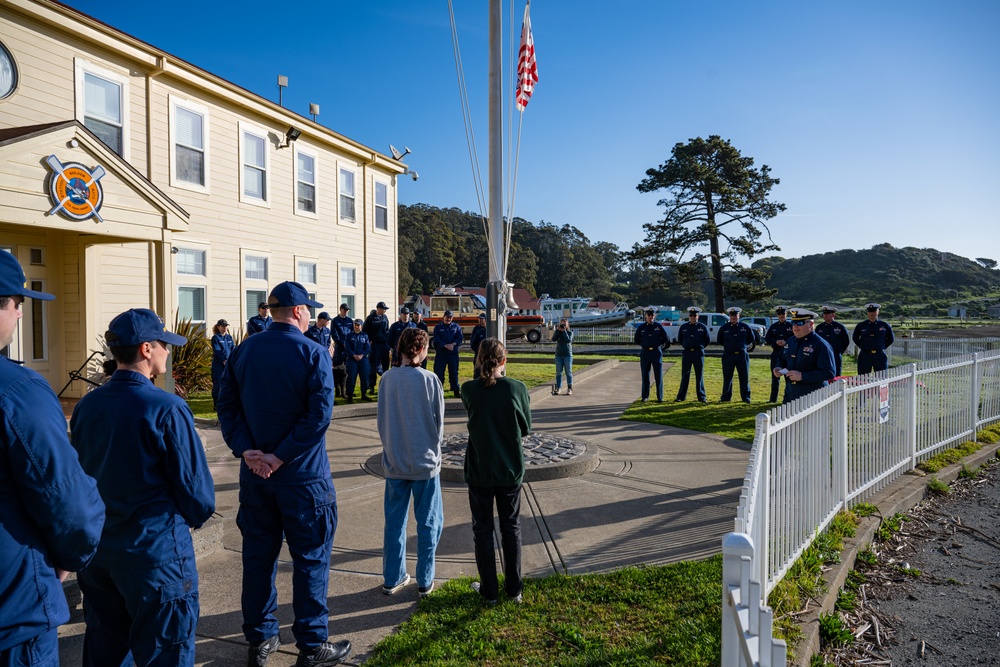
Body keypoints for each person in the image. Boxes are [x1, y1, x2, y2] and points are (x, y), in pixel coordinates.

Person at [216, 281, 351, 667]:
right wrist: (279, 457)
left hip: (257, 477)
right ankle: (311, 645)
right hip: (303, 478)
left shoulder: (244, 350)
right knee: (310, 558)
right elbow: (319, 417)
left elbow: (227, 408)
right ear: (297, 312)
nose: (310, 314)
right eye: (308, 309)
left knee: (259, 558)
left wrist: (249, 451)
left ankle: (260, 639)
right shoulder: (312, 352)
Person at [71, 308, 215, 667]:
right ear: (147, 349)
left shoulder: (87, 405)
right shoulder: (166, 407)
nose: (169, 351)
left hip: (101, 552)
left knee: (105, 648)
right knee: (165, 652)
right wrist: (196, 516)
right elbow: (196, 492)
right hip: (155, 554)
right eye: (165, 344)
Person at [0, 252, 105, 667]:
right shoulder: (19, 391)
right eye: (16, 303)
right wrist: (66, 559)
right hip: (13, 612)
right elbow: (71, 505)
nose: (21, 315)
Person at [460, 338, 531, 605]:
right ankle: (514, 590)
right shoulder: (517, 388)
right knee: (511, 528)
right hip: (509, 468)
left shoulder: (469, 390)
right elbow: (525, 427)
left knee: (483, 530)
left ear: (479, 360)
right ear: (504, 360)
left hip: (479, 469)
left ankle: (489, 590)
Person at [376, 328, 444, 599]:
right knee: (428, 523)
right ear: (423, 350)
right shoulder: (430, 380)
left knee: (394, 522)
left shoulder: (387, 380)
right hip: (424, 463)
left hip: (395, 461)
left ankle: (392, 577)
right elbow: (438, 423)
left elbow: (382, 419)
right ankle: (424, 580)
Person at [772, 309, 836, 403]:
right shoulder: (791, 341)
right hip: (791, 393)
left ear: (811, 324)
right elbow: (782, 359)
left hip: (813, 396)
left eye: (800, 323)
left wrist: (803, 376)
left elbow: (829, 373)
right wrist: (778, 367)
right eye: (793, 323)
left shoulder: (821, 345)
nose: (795, 327)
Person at [717, 307, 755, 403]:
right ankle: (725, 397)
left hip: (742, 355)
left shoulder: (745, 327)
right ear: (729, 316)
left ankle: (746, 398)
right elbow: (720, 340)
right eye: (732, 315)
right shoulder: (724, 328)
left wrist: (743, 346)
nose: (733, 317)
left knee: (744, 377)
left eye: (735, 315)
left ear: (739, 316)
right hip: (728, 355)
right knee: (727, 377)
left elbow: (751, 338)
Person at [674, 306, 710, 403]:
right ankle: (681, 396)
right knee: (685, 375)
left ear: (698, 316)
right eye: (691, 315)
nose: (693, 317)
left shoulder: (702, 327)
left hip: (698, 353)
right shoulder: (684, 327)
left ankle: (702, 397)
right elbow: (680, 339)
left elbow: (707, 340)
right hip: (687, 353)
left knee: (699, 375)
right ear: (689, 316)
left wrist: (699, 346)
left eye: (695, 315)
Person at [633, 307, 669, 402]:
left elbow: (665, 338)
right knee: (645, 375)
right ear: (646, 316)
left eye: (652, 315)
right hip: (645, 353)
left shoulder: (658, 326)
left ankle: (659, 397)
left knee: (658, 375)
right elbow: (636, 340)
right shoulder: (641, 327)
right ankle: (645, 396)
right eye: (648, 315)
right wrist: (644, 344)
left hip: (656, 352)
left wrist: (659, 345)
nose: (650, 317)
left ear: (654, 316)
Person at [853, 303, 895, 374]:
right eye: (870, 312)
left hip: (879, 355)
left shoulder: (884, 325)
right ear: (867, 313)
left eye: (874, 311)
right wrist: (863, 346)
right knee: (863, 378)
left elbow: (891, 339)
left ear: (878, 312)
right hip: (865, 355)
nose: (872, 314)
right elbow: (855, 338)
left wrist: (882, 346)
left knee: (881, 378)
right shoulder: (861, 325)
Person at [765, 306, 794, 403]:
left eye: (783, 314)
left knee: (788, 377)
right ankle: (773, 399)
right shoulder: (774, 327)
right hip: (776, 353)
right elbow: (767, 339)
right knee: (775, 376)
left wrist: (786, 342)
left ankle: (789, 398)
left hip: (787, 354)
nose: (781, 316)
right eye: (779, 314)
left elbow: (795, 339)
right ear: (777, 315)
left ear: (786, 314)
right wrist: (776, 342)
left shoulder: (791, 326)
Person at [433, 309, 464, 398]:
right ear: (443, 317)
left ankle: (455, 390)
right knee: (439, 373)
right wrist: (445, 345)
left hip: (453, 353)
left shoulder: (456, 327)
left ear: (452, 318)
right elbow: (436, 339)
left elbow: (459, 338)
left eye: (450, 317)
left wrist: (453, 344)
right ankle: (439, 391)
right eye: (447, 317)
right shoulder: (438, 327)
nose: (448, 319)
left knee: (454, 372)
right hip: (441, 353)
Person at [815, 306, 851, 377]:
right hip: (822, 355)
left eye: (828, 314)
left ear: (833, 315)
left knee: (836, 374)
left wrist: (839, 351)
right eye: (824, 314)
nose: (825, 315)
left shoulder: (840, 327)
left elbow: (845, 341)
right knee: (822, 374)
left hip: (835, 354)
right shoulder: (819, 327)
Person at [363, 301, 390, 389]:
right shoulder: (370, 318)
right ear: (378, 309)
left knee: (385, 365)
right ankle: (371, 385)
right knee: (373, 365)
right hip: (375, 344)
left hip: (384, 344)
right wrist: (369, 341)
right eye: (383, 309)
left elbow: (387, 330)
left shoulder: (385, 317)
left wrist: (388, 344)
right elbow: (365, 331)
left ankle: (386, 384)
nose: (385, 311)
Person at [345, 318, 372, 403]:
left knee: (364, 376)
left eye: (358, 325)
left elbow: (367, 347)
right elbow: (347, 347)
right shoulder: (349, 336)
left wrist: (362, 355)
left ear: (361, 326)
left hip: (362, 359)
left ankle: (363, 394)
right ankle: (350, 395)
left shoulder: (365, 336)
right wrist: (354, 355)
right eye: (355, 325)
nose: (357, 327)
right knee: (351, 378)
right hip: (352, 359)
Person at [211, 318, 235, 409]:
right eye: (223, 326)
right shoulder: (216, 338)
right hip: (218, 365)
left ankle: (227, 403)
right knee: (218, 384)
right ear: (218, 327)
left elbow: (233, 349)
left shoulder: (229, 337)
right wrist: (223, 360)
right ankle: (216, 404)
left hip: (228, 364)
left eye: (226, 326)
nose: (225, 328)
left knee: (228, 384)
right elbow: (217, 350)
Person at [330, 304, 354, 398]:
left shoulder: (349, 321)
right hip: (339, 348)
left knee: (347, 370)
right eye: (344, 310)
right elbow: (334, 335)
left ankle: (347, 391)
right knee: (337, 369)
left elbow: (352, 333)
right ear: (340, 310)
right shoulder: (335, 321)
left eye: (347, 310)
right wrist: (342, 342)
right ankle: (338, 390)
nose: (346, 311)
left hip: (348, 348)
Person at [551, 317, 574, 395]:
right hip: (559, 355)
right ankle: (558, 388)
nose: (563, 325)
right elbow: (553, 339)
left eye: (565, 323)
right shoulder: (558, 332)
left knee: (568, 372)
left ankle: (570, 388)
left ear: (567, 324)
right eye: (562, 323)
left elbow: (568, 340)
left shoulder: (570, 332)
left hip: (567, 354)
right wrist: (557, 330)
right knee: (558, 372)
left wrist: (564, 331)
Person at [469, 313, 487, 379]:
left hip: (488, 354)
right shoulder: (476, 329)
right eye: (480, 319)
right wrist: (478, 351)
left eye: (482, 319)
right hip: (478, 354)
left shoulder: (490, 328)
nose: (481, 320)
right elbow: (473, 342)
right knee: (477, 371)